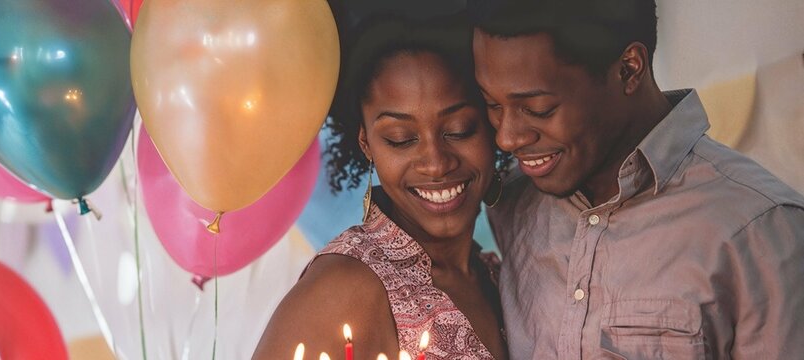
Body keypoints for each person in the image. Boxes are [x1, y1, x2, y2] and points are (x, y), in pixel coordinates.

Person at [468, 0, 804, 358]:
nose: (508, 137)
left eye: (538, 109)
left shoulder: (759, 230)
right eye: (493, 105)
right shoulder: (511, 201)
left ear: (629, 69)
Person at [254, 14, 508, 359]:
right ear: (366, 143)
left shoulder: (498, 275)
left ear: (494, 125)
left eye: (459, 130)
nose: (436, 163)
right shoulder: (343, 288)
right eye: (400, 139)